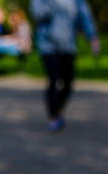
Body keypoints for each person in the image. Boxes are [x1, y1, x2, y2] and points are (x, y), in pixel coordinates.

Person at [30, 0, 100, 132]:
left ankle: (58, 110)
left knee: (68, 83)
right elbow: (37, 13)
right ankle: (53, 117)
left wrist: (92, 37)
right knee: (53, 79)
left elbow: (84, 15)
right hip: (48, 46)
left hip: (68, 45)